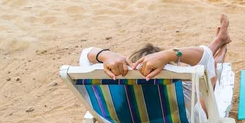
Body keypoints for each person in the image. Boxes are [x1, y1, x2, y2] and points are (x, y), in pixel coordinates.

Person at [79, 14, 231, 116]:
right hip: (184, 121)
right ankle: (220, 49)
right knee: (208, 74)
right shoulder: (183, 94)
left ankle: (219, 42)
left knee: (203, 69)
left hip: (137, 121)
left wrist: (106, 55)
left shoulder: (117, 92)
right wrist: (168, 55)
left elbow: (86, 54)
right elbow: (204, 58)